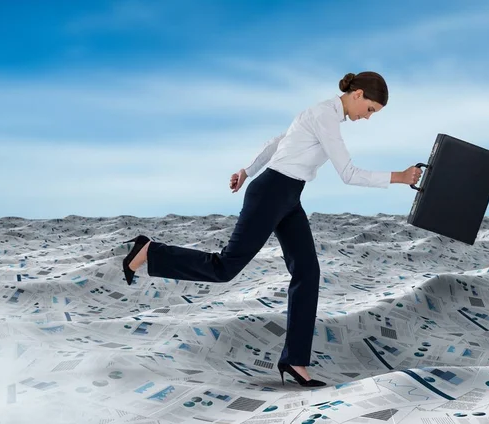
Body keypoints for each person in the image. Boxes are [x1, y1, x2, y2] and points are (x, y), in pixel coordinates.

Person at [122, 71, 423, 388]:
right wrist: (400, 177)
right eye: (371, 110)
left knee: (307, 271)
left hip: (288, 197)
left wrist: (247, 170)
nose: (368, 117)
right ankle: (149, 251)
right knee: (225, 267)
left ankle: (295, 361)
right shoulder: (325, 115)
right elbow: (347, 173)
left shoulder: (321, 114)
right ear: (358, 95)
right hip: (271, 194)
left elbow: (278, 142)